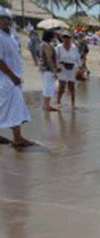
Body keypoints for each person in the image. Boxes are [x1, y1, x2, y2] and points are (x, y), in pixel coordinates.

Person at [0, 7, 32, 147]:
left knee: (4, 107)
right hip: (7, 79)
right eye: (5, 19)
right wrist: (12, 76)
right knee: (14, 107)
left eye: (9, 19)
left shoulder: (9, 36)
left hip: (13, 78)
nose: (9, 22)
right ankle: (17, 139)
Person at [55, 32, 80, 109]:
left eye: (68, 38)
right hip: (62, 67)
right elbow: (56, 58)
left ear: (71, 39)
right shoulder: (59, 47)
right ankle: (58, 101)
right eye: (65, 38)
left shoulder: (74, 48)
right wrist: (57, 66)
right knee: (62, 86)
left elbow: (77, 58)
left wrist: (79, 67)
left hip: (71, 67)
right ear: (62, 39)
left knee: (72, 86)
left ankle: (73, 103)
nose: (66, 40)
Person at [38, 29, 58, 112]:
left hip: (44, 68)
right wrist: (54, 70)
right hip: (47, 69)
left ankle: (46, 105)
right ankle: (47, 106)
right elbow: (49, 59)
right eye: (53, 36)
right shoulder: (47, 46)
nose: (54, 37)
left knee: (47, 86)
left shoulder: (43, 44)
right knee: (48, 87)